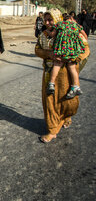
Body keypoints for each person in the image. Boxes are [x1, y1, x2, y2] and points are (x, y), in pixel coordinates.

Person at [35, 9, 90, 143]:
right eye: (45, 20)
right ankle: (53, 130)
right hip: (50, 74)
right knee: (50, 100)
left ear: (58, 19)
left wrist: (72, 58)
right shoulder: (43, 35)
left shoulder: (71, 32)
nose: (47, 23)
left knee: (67, 100)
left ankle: (66, 117)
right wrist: (49, 54)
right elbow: (37, 50)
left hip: (66, 75)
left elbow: (86, 49)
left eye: (50, 20)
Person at [46, 14, 86, 99]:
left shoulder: (60, 24)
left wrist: (48, 32)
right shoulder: (76, 25)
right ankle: (75, 86)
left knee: (57, 65)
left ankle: (51, 84)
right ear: (71, 19)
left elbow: (53, 34)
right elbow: (84, 35)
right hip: (72, 51)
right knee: (72, 67)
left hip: (61, 49)